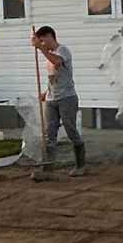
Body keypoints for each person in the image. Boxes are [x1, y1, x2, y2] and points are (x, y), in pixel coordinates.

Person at [31, 26, 86, 176]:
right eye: (39, 41)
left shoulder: (63, 51)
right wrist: (46, 93)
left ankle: (81, 165)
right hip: (51, 99)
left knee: (71, 131)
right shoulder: (48, 55)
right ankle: (47, 170)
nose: (42, 44)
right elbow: (53, 80)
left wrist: (41, 49)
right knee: (49, 133)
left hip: (67, 98)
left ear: (50, 36)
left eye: (43, 40)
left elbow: (57, 62)